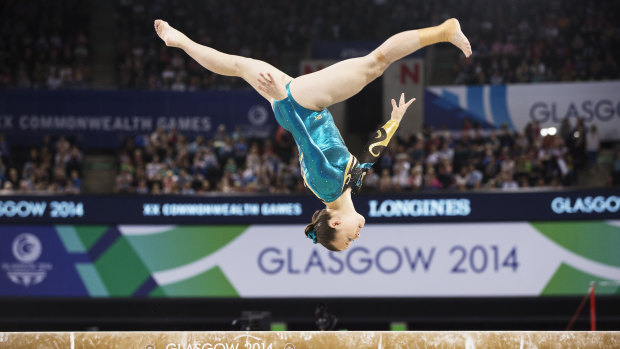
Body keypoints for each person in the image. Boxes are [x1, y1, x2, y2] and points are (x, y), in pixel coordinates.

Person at [154, 18, 471, 251]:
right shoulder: (345, 189)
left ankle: (443, 31)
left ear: (335, 224)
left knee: (375, 63)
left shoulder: (326, 185)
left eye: (348, 238)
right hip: (300, 105)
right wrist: (394, 122)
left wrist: (283, 98)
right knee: (239, 66)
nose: (356, 237)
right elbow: (369, 157)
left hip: (302, 106)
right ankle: (181, 42)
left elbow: (305, 140)